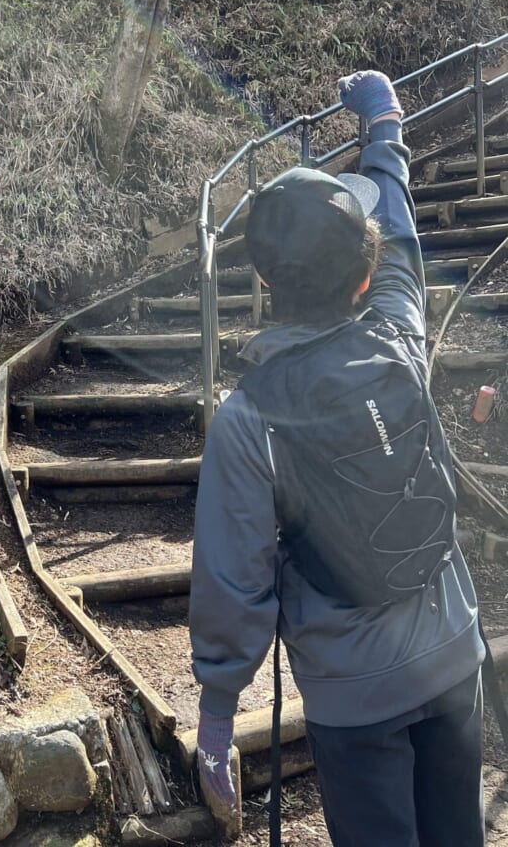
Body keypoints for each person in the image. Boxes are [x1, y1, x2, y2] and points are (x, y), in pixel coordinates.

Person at [188, 70, 486, 846]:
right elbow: (400, 233)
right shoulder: (398, 336)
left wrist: (218, 713)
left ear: (262, 278)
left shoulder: (248, 419)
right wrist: (384, 127)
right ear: (366, 272)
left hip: (353, 693)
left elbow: (233, 581)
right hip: (454, 650)